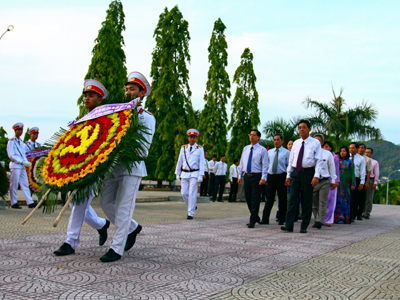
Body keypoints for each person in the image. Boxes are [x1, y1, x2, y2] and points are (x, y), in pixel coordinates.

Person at [98, 71, 156, 262]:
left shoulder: (147, 117)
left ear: (141, 93)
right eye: (127, 89)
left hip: (132, 167)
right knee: (105, 203)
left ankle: (117, 248)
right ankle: (132, 228)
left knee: (123, 208)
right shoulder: (116, 114)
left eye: (132, 89)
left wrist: (123, 150)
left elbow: (144, 148)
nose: (128, 92)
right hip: (113, 166)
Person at [54, 79, 110, 256]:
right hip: (77, 168)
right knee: (76, 204)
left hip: (93, 170)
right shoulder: (82, 119)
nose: (86, 98)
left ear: (99, 100)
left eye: (91, 95)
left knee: (78, 203)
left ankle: (70, 242)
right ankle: (101, 225)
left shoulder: (105, 119)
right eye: (85, 95)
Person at [282, 120, 322, 233]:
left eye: (304, 127)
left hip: (308, 173)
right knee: (293, 199)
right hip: (295, 172)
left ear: (309, 129)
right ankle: (289, 225)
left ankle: (304, 225)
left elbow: (319, 160)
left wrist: (316, 176)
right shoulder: (296, 143)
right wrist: (288, 175)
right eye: (299, 127)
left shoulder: (315, 143)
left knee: (306, 199)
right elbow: (291, 160)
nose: (301, 129)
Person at [237, 129, 269, 228]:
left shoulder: (262, 150)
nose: (251, 137)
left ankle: (252, 220)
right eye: (250, 134)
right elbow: (242, 163)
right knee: (248, 198)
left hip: (256, 177)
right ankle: (255, 216)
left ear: (258, 137)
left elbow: (265, 165)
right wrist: (239, 175)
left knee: (255, 199)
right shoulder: (246, 148)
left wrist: (263, 178)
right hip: (247, 176)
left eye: (254, 135)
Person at [260, 133, 289, 225]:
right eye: (275, 140)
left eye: (278, 140)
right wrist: (265, 177)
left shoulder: (287, 152)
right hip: (271, 176)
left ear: (282, 141)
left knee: (282, 198)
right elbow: (266, 165)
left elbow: (289, 166)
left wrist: (288, 178)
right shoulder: (269, 152)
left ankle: (281, 218)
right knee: (269, 199)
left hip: (281, 176)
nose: (276, 141)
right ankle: (265, 219)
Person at [175, 128, 204, 218]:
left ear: (196, 138)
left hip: (194, 174)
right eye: (191, 137)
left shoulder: (199, 149)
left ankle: (190, 213)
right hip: (184, 173)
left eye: (194, 137)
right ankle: (192, 206)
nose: (192, 139)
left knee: (192, 193)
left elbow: (202, 163)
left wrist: (201, 175)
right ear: (188, 138)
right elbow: (180, 161)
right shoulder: (183, 148)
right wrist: (177, 173)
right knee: (184, 193)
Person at [6, 123, 36, 209]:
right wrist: (22, 161)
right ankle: (14, 202)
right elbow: (11, 155)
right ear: (15, 131)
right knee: (14, 184)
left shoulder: (20, 142)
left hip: (22, 165)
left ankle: (30, 202)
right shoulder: (11, 141)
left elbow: (23, 154)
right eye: (18, 130)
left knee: (25, 183)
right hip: (15, 165)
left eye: (21, 130)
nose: (20, 132)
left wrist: (26, 162)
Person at [312, 134, 336, 229]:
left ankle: (320, 221)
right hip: (313, 181)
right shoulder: (309, 153)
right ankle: (316, 217)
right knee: (314, 203)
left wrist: (333, 180)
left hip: (324, 180)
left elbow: (332, 168)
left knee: (323, 202)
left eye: (318, 141)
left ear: (322, 142)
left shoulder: (327, 154)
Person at [334, 146, 355, 224]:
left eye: (344, 151)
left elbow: (352, 173)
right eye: (341, 151)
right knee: (337, 200)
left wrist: (353, 183)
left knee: (346, 200)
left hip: (346, 184)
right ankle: (337, 218)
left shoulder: (350, 162)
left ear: (347, 153)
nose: (342, 152)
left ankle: (346, 218)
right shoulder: (337, 161)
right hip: (338, 183)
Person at [323, 141, 340, 227]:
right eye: (323, 147)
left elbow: (337, 170)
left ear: (330, 148)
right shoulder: (321, 156)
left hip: (332, 181)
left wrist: (336, 181)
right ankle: (321, 218)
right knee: (323, 200)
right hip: (323, 180)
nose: (325, 149)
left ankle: (329, 219)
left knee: (331, 200)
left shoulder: (334, 157)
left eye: (327, 147)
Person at [349, 142, 366, 221]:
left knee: (355, 198)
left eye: (353, 148)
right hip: (347, 179)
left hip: (356, 179)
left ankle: (353, 215)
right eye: (350, 148)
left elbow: (362, 171)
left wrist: (362, 183)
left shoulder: (361, 158)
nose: (351, 150)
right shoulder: (347, 157)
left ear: (356, 148)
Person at [363, 147, 379, 219]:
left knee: (369, 198)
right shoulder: (363, 160)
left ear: (371, 154)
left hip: (371, 180)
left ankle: (367, 213)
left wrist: (375, 182)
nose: (367, 153)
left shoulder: (374, 162)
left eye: (369, 152)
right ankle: (361, 211)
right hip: (363, 179)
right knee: (362, 197)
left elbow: (377, 173)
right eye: (366, 152)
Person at [358, 143, 373, 220]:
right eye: (359, 147)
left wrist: (367, 182)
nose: (361, 149)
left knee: (362, 198)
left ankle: (360, 213)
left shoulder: (367, 159)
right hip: (355, 178)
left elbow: (369, 171)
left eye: (362, 148)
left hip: (364, 178)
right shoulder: (353, 158)